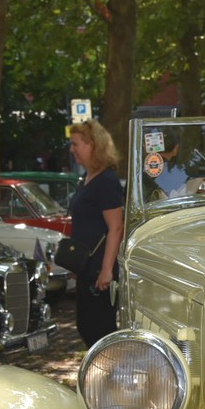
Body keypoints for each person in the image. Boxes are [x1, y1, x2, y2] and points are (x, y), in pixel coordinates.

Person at [67, 119, 124, 347]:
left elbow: (116, 227)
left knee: (100, 332)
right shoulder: (87, 178)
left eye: (76, 144)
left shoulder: (107, 181)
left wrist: (107, 270)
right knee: (86, 326)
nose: (72, 150)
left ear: (93, 145)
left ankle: (109, 377)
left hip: (100, 273)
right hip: (86, 269)